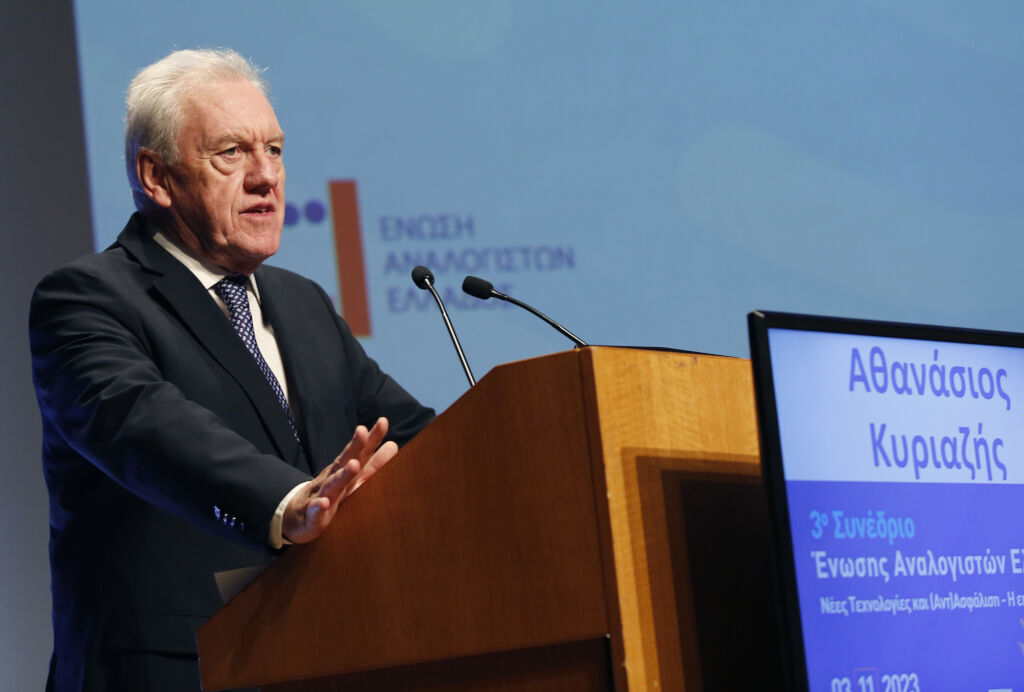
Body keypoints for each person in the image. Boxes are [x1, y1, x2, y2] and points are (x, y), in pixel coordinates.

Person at [29, 48, 435, 691]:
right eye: (231, 152)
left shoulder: (301, 302)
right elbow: (145, 425)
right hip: (171, 668)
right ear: (156, 176)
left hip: (326, 659)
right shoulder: (86, 299)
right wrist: (288, 501)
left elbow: (408, 434)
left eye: (273, 150)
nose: (265, 176)